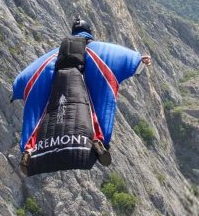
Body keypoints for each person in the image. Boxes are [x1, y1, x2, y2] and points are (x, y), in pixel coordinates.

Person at [11, 18, 151, 177]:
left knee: (40, 115)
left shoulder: (50, 58)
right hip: (83, 106)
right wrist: (140, 60)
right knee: (94, 112)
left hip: (56, 97)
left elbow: (23, 80)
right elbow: (127, 58)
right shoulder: (99, 51)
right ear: (89, 33)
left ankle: (29, 149)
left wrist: (16, 89)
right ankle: (97, 140)